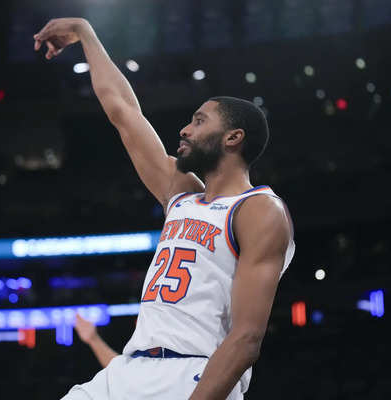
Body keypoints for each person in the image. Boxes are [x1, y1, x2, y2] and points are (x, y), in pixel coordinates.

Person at [34, 17, 295, 400]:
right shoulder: (182, 194)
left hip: (194, 372)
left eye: (199, 121)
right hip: (130, 368)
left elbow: (246, 338)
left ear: (233, 138)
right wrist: (86, 35)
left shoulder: (258, 210)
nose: (184, 130)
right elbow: (124, 112)